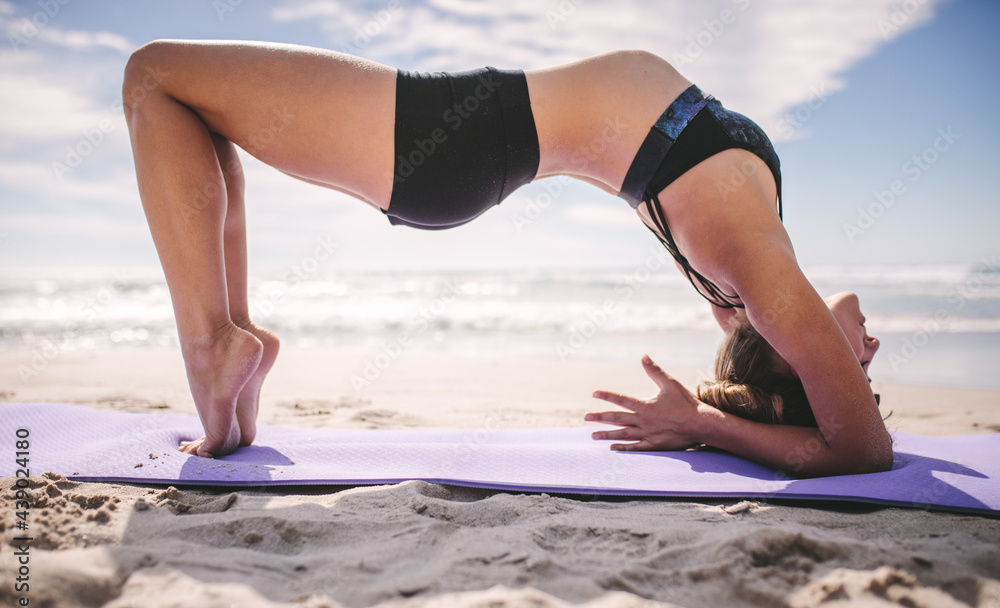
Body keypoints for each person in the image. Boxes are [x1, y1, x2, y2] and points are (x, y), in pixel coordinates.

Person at [122, 40, 890, 476]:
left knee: (153, 77)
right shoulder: (741, 290)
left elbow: (860, 445)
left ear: (802, 355)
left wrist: (706, 423)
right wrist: (735, 408)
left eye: (857, 365)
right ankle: (231, 345)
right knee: (192, 109)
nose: (871, 347)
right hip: (472, 133)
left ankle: (210, 346)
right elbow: (795, 392)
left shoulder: (761, 275)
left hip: (460, 135)